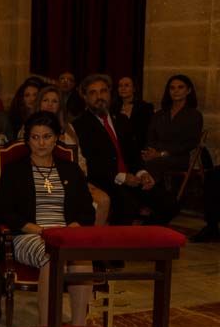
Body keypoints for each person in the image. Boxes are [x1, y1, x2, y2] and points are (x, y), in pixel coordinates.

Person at [0, 112, 97, 327]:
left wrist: (72, 228)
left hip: (66, 234)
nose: (41, 143)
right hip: (29, 234)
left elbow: (87, 210)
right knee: (52, 257)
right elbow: (4, 211)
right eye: (35, 137)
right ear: (27, 139)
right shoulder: (15, 170)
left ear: (57, 138)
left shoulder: (70, 169)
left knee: (81, 261)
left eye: (47, 136)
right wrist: (38, 230)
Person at [73, 74, 176, 225]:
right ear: (85, 97)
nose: (99, 96)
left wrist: (142, 173)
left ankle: (145, 238)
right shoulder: (79, 125)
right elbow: (91, 162)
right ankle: (117, 244)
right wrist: (122, 177)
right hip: (103, 180)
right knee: (127, 205)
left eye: (103, 91)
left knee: (170, 203)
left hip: (132, 178)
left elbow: (133, 154)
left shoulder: (121, 120)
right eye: (93, 93)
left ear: (110, 94)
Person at [33, 85, 110, 226]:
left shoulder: (69, 129)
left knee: (104, 199)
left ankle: (91, 243)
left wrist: (79, 178)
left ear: (60, 106)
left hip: (74, 178)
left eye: (54, 101)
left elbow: (80, 158)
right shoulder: (28, 129)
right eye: (46, 100)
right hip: (44, 179)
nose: (50, 104)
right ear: (39, 103)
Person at [142, 74, 204, 182]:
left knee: (152, 163)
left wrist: (161, 153)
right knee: (134, 160)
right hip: (155, 154)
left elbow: (191, 143)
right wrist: (150, 151)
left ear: (188, 90)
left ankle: (151, 193)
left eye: (180, 87)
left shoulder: (194, 115)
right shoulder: (160, 114)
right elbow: (150, 137)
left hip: (178, 157)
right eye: (172, 88)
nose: (176, 91)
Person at [113, 75, 154, 148]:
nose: (123, 88)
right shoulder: (113, 108)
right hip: (119, 147)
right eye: (120, 86)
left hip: (138, 147)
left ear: (134, 89)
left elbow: (150, 131)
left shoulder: (145, 107)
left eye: (127, 85)